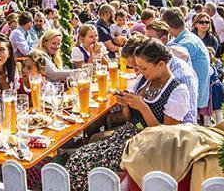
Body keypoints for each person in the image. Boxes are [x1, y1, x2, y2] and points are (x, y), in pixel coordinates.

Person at [66, 39, 190, 191]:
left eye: (144, 68)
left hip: (146, 147)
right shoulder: (144, 80)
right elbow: (128, 119)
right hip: (127, 136)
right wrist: (126, 104)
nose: (140, 72)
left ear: (161, 64)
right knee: (77, 158)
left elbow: (167, 138)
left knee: (82, 165)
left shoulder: (178, 91)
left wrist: (143, 107)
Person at [162, 8, 211, 126]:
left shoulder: (184, 44)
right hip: (199, 91)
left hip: (193, 97)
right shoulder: (187, 37)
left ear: (168, 25)